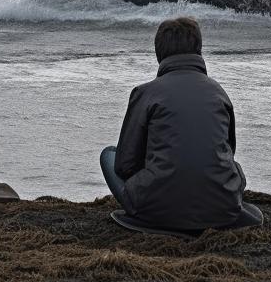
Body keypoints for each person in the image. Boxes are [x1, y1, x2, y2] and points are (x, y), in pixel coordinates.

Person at [100, 17, 261, 231]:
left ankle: (152, 213)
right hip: (223, 209)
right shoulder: (218, 92)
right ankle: (214, 205)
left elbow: (124, 164)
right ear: (199, 51)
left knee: (109, 155)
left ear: (159, 54)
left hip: (157, 210)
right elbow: (228, 151)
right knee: (234, 167)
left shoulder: (145, 93)